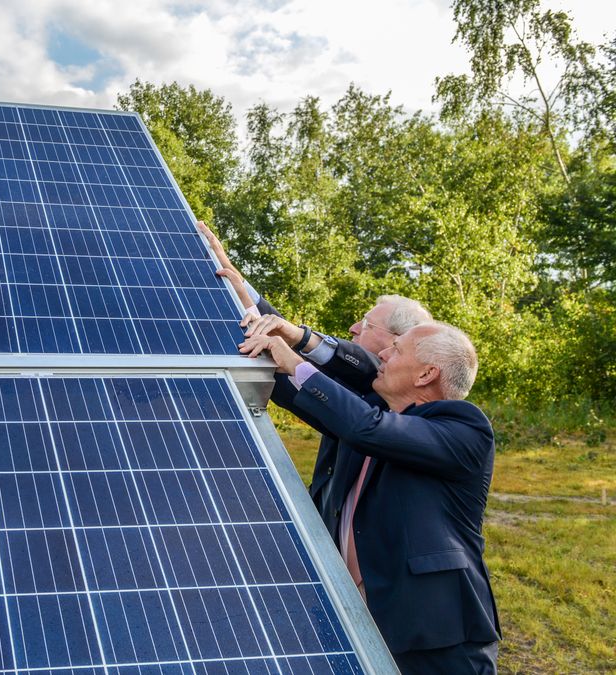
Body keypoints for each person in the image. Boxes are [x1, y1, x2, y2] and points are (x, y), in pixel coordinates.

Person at [240, 323, 501, 673]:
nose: (382, 354)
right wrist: (246, 319)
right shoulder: (374, 415)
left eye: (397, 350)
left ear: (427, 373)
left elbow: (367, 427)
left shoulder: (464, 429)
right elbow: (304, 395)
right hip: (354, 611)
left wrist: (299, 364)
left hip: (433, 632)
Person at [196, 221, 431, 528]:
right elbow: (288, 364)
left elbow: (356, 364)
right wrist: (238, 288)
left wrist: (293, 340)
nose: (353, 329)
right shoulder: (352, 391)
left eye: (366, 324)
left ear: (398, 341)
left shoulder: (403, 409)